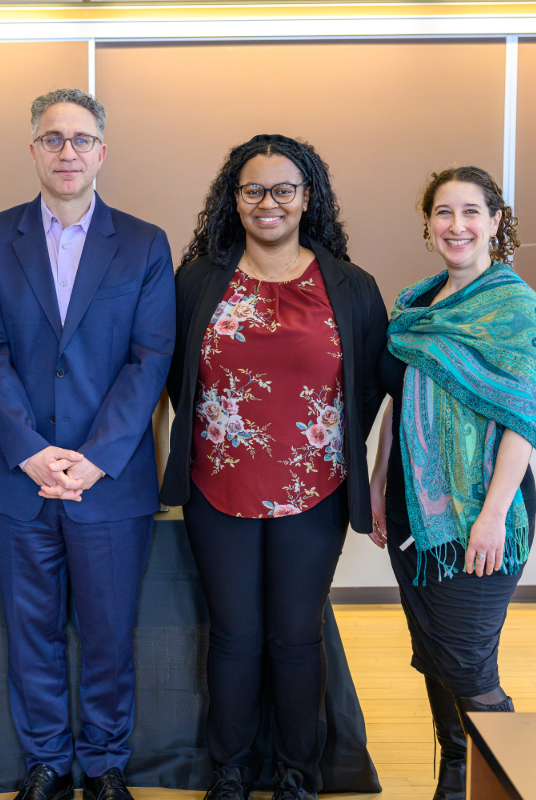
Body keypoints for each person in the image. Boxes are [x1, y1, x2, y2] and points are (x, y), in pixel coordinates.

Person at [160, 135, 388, 800]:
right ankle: (228, 771)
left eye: (283, 189)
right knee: (234, 634)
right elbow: (174, 377)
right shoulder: (199, 279)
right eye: (252, 190)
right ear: (234, 200)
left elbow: (371, 387)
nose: (268, 202)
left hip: (315, 489)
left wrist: (337, 452)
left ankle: (297, 774)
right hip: (216, 484)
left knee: (295, 635)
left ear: (307, 197)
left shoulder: (349, 285)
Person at [0, 88, 175, 800]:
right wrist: (30, 450)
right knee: (33, 636)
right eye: (53, 139)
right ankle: (48, 763)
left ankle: (106, 764)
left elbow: (150, 360)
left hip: (109, 480)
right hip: (21, 478)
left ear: (102, 152)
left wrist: (94, 457)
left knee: (110, 636)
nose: (67, 152)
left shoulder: (144, 243)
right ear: (33, 150)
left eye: (81, 140)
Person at [367, 166, 536, 800]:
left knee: (467, 659)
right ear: (427, 224)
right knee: (434, 649)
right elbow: (396, 406)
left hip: (485, 510)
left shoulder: (514, 307)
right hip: (413, 509)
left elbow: (525, 417)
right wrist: (377, 483)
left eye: (471, 212)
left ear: (495, 221)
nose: (457, 225)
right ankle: (456, 772)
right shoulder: (412, 308)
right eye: (444, 213)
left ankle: (504, 781)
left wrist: (490, 514)